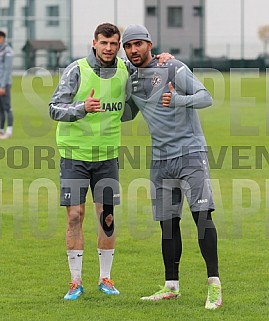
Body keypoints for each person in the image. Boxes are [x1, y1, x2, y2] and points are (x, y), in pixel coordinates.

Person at [121, 24, 222, 310]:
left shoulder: (173, 67)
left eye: (137, 44)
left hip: (190, 153)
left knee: (202, 218)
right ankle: (171, 286)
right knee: (168, 224)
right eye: (128, 46)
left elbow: (205, 97)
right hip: (160, 161)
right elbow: (127, 114)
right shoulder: (131, 79)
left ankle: (214, 285)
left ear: (149, 44)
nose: (133, 50)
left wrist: (178, 100)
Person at [49, 22, 131, 300]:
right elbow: (54, 108)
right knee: (75, 215)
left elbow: (146, 75)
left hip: (107, 155)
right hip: (75, 155)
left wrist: (165, 60)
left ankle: (105, 279)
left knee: (107, 218)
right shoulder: (77, 70)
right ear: (94, 43)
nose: (109, 48)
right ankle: (75, 282)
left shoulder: (124, 71)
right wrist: (82, 108)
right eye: (103, 43)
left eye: (113, 44)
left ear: (118, 45)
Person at [0, 30, 14, 139]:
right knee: (0, 108)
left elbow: (7, 70)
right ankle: (1, 131)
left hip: (4, 84)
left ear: (2, 38)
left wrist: (3, 86)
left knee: (7, 107)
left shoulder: (8, 51)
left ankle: (9, 131)